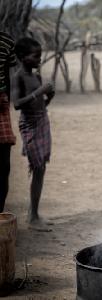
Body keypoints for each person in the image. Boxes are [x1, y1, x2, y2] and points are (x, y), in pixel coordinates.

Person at [11, 37, 54, 231]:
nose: (39, 59)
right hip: (29, 124)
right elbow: (17, 104)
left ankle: (33, 213)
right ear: (21, 57)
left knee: (41, 167)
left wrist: (49, 97)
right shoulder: (18, 77)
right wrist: (39, 92)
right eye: (35, 56)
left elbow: (41, 104)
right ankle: (33, 216)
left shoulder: (35, 77)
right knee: (37, 167)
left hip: (42, 120)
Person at [0, 31, 17, 212]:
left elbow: (6, 73)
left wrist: (6, 104)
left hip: (1, 105)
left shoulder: (6, 40)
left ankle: (0, 215)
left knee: (3, 166)